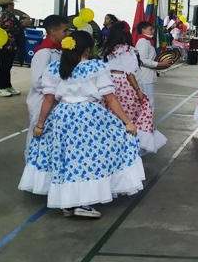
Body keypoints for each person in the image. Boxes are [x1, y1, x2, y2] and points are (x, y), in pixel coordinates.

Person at [19, 31, 144, 218]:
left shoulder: (55, 68)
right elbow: (110, 98)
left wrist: (40, 125)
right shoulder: (96, 67)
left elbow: (48, 99)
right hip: (89, 116)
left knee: (66, 159)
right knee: (88, 159)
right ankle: (81, 203)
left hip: (62, 116)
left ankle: (67, 203)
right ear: (88, 48)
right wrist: (127, 122)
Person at [101, 22, 167, 154]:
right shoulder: (127, 50)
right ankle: (130, 144)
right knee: (133, 113)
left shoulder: (107, 50)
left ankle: (111, 145)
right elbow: (130, 73)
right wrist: (137, 90)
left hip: (107, 83)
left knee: (110, 114)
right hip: (122, 84)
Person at [26, 15, 69, 154]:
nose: (67, 34)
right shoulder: (44, 53)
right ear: (53, 32)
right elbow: (38, 82)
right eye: (64, 31)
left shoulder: (59, 51)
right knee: (36, 140)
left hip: (54, 102)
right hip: (41, 102)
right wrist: (62, 88)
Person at [0, 0, 30, 97]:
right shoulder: (7, 15)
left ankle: (6, 86)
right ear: (9, 4)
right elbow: (14, 29)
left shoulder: (6, 14)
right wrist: (24, 24)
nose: (13, 5)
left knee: (7, 66)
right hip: (5, 44)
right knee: (3, 66)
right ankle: (0, 87)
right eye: (12, 3)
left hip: (10, 44)